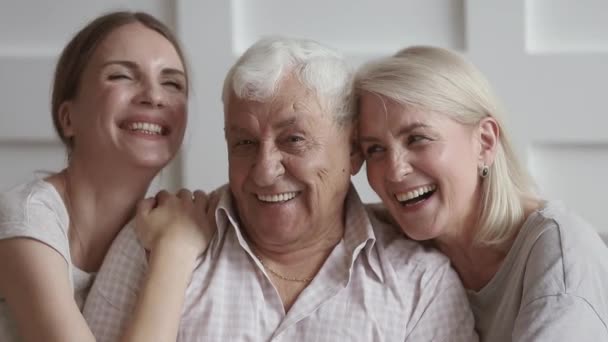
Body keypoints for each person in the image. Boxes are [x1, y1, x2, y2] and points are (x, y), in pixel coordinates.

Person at [83, 37, 478, 341]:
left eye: (294, 140)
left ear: (353, 151)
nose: (265, 171)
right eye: (244, 143)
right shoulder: (154, 241)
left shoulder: (421, 283)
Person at [355, 45, 608, 341]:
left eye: (417, 139)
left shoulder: (560, 253)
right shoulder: (371, 239)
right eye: (374, 149)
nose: (394, 171)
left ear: (485, 142)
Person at [0, 11, 214, 342]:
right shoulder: (25, 219)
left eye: (172, 83)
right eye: (122, 76)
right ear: (68, 118)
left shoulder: (172, 221)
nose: (154, 96)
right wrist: (175, 251)